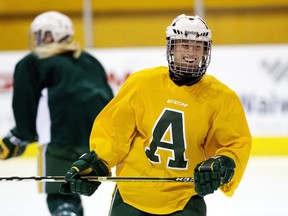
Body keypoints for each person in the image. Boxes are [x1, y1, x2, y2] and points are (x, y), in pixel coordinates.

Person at [59, 14, 252, 216]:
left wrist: (223, 165)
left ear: (206, 51)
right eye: (184, 45)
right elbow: (115, 132)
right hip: (131, 196)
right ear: (171, 47)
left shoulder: (222, 98)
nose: (191, 52)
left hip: (184, 199)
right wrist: (98, 162)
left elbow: (234, 144)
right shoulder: (142, 83)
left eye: (198, 46)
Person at [0, 11, 114, 216]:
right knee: (73, 190)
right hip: (96, 144)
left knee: (60, 193)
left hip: (58, 141)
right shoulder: (90, 60)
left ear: (47, 36)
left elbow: (25, 113)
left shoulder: (33, 62)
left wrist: (18, 137)